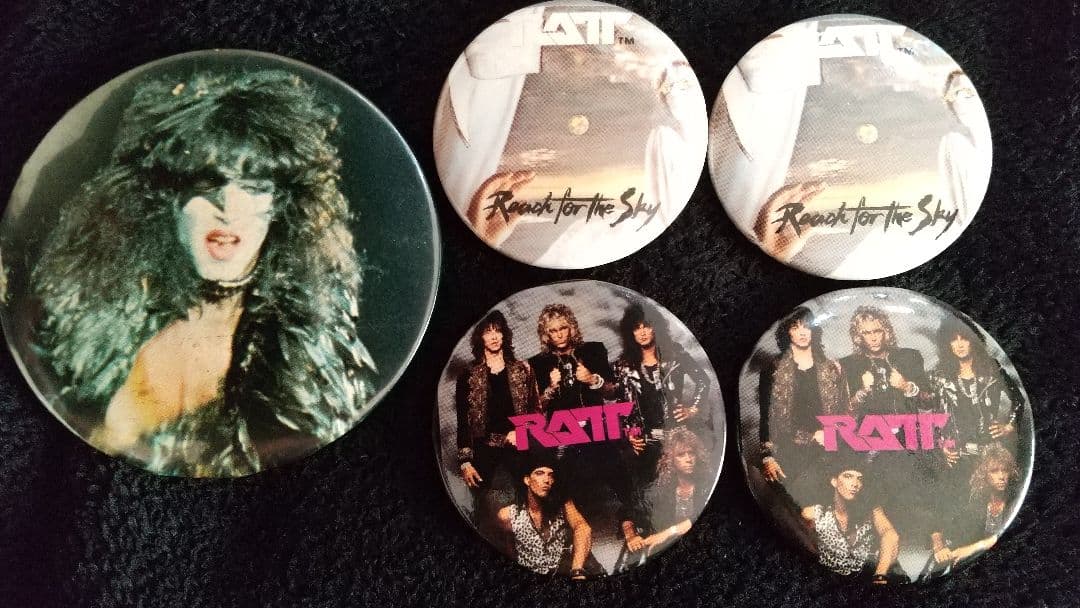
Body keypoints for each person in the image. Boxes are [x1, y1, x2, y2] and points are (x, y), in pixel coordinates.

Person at [32, 70, 375, 476]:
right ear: (166, 199)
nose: (228, 208)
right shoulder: (90, 327)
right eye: (206, 183)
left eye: (254, 186)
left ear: (282, 206)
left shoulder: (307, 357)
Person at [455, 310, 542, 532]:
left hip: (518, 442)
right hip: (484, 446)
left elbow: (536, 412)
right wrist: (465, 462)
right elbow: (463, 421)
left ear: (504, 335)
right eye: (488, 332)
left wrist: (520, 431)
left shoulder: (522, 369)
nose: (494, 336)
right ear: (480, 338)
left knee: (530, 496)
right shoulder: (468, 375)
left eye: (498, 331)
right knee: (482, 509)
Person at [758, 306, 849, 505]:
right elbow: (766, 416)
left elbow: (845, 413)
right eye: (795, 327)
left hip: (829, 449)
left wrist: (829, 434)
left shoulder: (832, 368)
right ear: (787, 332)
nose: (802, 332)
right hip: (790, 450)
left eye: (807, 327)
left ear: (814, 331)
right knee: (797, 505)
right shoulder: (773, 370)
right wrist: (767, 457)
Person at [610, 302, 710, 482]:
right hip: (645, 441)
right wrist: (630, 433)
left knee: (678, 484)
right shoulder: (623, 366)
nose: (642, 332)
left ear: (655, 328)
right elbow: (621, 405)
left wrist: (693, 409)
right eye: (637, 328)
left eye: (646, 326)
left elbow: (703, 380)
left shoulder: (675, 354)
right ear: (630, 333)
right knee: (646, 486)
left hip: (675, 437)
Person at [616, 427, 711, 571]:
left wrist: (667, 533)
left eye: (691, 453)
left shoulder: (706, 484)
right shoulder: (661, 490)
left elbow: (706, 515)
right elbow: (627, 513)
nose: (689, 459)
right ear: (671, 459)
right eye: (681, 455)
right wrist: (631, 536)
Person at [801, 459, 903, 584]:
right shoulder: (815, 513)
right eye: (848, 476)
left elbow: (891, 535)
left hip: (866, 581)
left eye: (859, 479)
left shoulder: (872, 512)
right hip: (829, 584)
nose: (855, 484)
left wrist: (880, 575)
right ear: (834, 481)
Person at [496, 456, 597, 579]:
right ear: (527, 480)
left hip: (562, 572)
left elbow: (583, 528)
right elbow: (509, 551)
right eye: (539, 473)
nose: (547, 480)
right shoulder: (507, 515)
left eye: (551, 475)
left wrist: (577, 571)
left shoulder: (563, 505)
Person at [927, 446, 1020, 577]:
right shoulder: (975, 499)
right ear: (984, 475)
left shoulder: (1016, 499)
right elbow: (939, 521)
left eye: (1005, 470)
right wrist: (939, 548)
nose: (1001, 476)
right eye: (994, 471)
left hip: (1007, 560)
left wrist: (971, 549)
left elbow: (1012, 536)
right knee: (938, 564)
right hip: (978, 559)